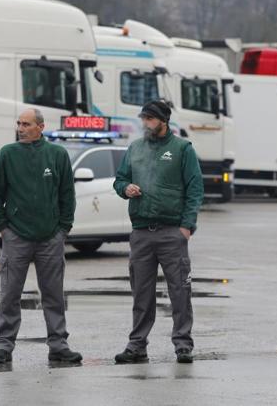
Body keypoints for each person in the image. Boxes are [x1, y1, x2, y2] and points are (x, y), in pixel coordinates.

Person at [0, 108, 81, 365]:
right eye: (18, 123)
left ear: (40, 127)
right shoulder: (7, 154)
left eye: (26, 124)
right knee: (9, 294)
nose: (21, 128)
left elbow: (67, 194)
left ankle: (59, 345)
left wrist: (63, 229)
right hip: (16, 235)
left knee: (53, 295)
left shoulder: (57, 155)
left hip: (51, 237)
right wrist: (3, 228)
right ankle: (3, 347)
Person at [113, 100, 204, 364]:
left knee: (179, 290)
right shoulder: (136, 148)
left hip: (171, 232)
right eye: (144, 119)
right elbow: (120, 179)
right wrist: (125, 188)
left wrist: (187, 226)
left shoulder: (182, 149)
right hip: (141, 232)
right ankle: (137, 345)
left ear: (163, 121)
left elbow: (195, 189)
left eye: (150, 119)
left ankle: (183, 344)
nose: (145, 124)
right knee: (141, 292)